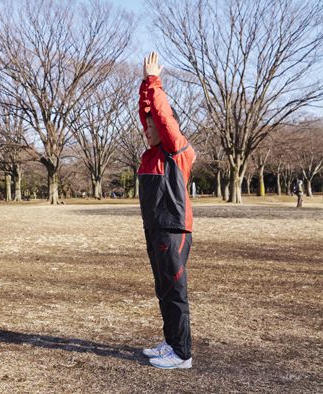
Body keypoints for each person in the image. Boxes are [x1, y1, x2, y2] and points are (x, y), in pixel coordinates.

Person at [137, 52, 196, 369]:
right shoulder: (150, 155)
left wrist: (153, 81)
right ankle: (171, 342)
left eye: (151, 127)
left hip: (174, 230)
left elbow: (162, 116)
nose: (147, 130)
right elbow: (147, 112)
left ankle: (182, 354)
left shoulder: (176, 149)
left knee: (175, 293)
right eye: (145, 127)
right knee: (164, 290)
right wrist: (143, 88)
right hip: (154, 228)